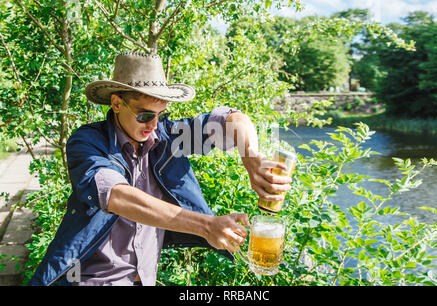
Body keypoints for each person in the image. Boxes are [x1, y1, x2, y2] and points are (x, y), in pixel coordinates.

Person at [29, 52, 292, 286]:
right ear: (117, 103)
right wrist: (206, 226)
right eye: (145, 115)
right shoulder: (87, 142)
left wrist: (251, 157)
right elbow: (117, 196)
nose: (154, 125)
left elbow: (232, 119)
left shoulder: (169, 138)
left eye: (160, 114)